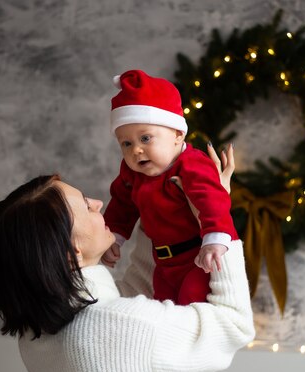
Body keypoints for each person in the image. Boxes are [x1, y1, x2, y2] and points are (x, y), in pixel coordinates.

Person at [0, 147, 255, 372]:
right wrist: (219, 223)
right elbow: (233, 322)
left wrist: (160, 211)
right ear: (71, 250)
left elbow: (134, 295)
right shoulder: (126, 328)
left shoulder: (35, 335)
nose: (98, 203)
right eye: (86, 206)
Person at [102, 69, 238, 305]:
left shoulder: (192, 165)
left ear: (177, 134)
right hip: (163, 262)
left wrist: (215, 238)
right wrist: (113, 237)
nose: (136, 150)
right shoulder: (133, 172)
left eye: (145, 138)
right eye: (126, 143)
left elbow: (212, 201)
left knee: (190, 304)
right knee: (164, 307)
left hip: (197, 258)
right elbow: (121, 205)